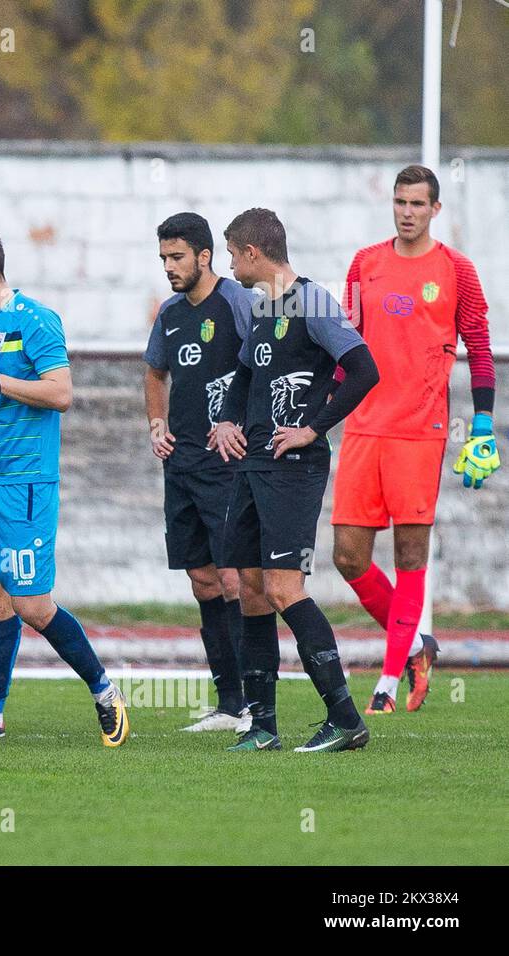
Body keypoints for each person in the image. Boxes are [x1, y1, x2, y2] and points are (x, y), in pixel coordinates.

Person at [0, 227, 128, 747]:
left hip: (24, 485)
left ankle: (104, 690)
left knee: (30, 606)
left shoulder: (35, 319)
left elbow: (61, 392)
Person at [331, 164, 499, 715]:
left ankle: (387, 677)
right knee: (348, 556)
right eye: (400, 202)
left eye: (417, 204)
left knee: (409, 554)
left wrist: (481, 424)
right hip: (363, 426)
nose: (407, 212)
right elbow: (345, 346)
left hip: (420, 432)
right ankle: (416, 644)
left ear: (435, 209)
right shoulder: (365, 264)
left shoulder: (456, 270)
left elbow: (479, 344)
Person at [211, 208, 379, 753]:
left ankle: (346, 718)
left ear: (252, 253)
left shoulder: (313, 301)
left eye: (232, 253)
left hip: (293, 468)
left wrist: (312, 429)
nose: (230, 263)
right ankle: (262, 726)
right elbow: (243, 374)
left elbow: (364, 369)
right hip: (254, 464)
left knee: (284, 587)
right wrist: (228, 419)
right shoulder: (263, 307)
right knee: (253, 590)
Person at [143, 212, 259, 733]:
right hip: (182, 464)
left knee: (236, 578)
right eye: (164, 258)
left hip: (229, 466)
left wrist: (242, 425)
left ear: (205, 257)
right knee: (203, 581)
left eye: (177, 257)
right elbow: (154, 372)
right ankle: (229, 703)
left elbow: (264, 363)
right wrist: (155, 423)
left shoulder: (236, 302)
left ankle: (256, 702)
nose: (168, 267)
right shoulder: (169, 313)